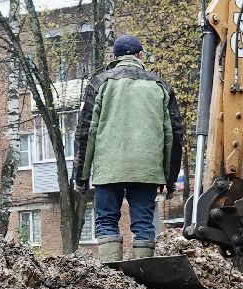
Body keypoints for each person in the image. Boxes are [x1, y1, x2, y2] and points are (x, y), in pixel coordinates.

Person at [73, 36, 184, 262]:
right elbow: (174, 134)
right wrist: (170, 177)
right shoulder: (160, 86)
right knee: (144, 223)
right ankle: (141, 278)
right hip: (147, 170)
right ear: (140, 56)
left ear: (114, 57)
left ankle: (112, 277)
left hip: (108, 169)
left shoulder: (99, 83)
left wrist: (81, 176)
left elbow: (86, 131)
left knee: (106, 221)